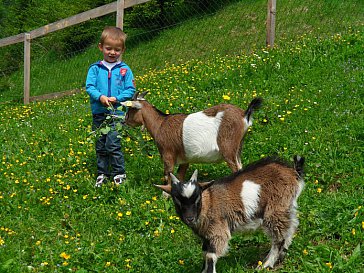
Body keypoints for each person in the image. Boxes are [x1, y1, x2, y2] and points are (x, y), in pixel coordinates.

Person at [86, 26, 136, 187]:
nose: (112, 52)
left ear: (122, 50)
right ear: (101, 47)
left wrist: (117, 98)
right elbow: (89, 87)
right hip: (99, 113)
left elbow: (130, 89)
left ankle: (118, 173)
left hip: (117, 114)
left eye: (117, 49)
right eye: (109, 48)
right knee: (100, 144)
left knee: (113, 143)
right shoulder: (95, 68)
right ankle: (102, 173)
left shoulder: (124, 69)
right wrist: (100, 97)